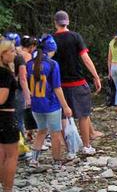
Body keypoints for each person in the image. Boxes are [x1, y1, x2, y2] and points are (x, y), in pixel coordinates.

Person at [52, 10, 101, 155]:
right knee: (83, 115)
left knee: (63, 116)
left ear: (55, 22)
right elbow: (85, 58)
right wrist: (96, 76)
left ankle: (70, 149)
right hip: (77, 82)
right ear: (68, 22)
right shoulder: (75, 37)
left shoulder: (50, 39)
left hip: (58, 84)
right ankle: (86, 146)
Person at [26, 35, 73, 168]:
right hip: (51, 105)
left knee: (41, 131)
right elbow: (57, 88)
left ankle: (34, 160)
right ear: (51, 50)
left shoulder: (30, 64)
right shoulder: (52, 64)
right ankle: (57, 160)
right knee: (55, 133)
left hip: (36, 105)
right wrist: (66, 106)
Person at [0, 38, 19, 192]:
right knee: (12, 155)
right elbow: (1, 99)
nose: (14, 53)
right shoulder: (5, 74)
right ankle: (7, 188)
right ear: (3, 54)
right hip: (6, 117)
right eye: (12, 51)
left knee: (1, 153)